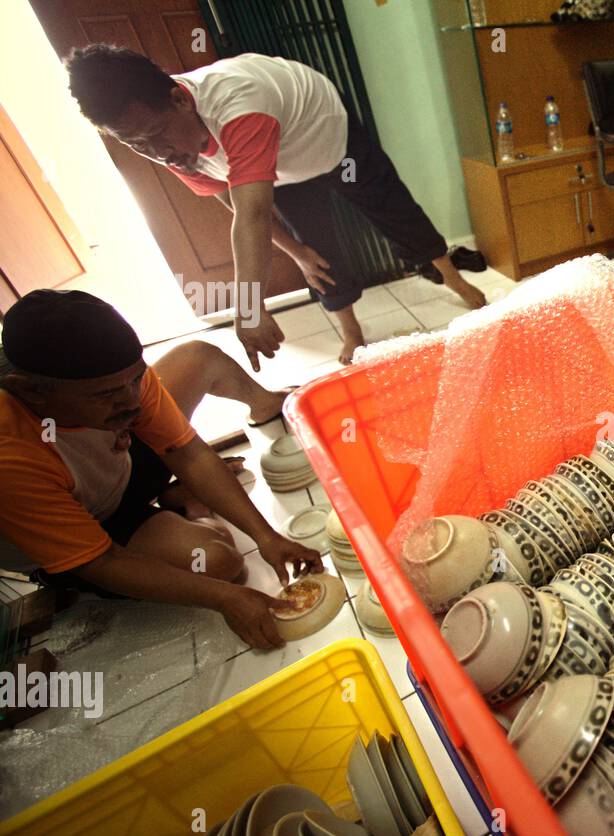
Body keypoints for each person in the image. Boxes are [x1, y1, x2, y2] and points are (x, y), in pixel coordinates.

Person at [63, 45, 487, 366]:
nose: (158, 153)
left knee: (390, 206)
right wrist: (296, 252)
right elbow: (234, 201)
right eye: (136, 143)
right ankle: (352, 331)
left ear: (180, 100)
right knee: (315, 250)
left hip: (332, 143)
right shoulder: (167, 143)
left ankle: (455, 281)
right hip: (282, 172)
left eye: (157, 135)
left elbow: (252, 215)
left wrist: (249, 308)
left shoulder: (238, 105)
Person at [0, 290, 323, 650]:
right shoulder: (10, 457)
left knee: (198, 358)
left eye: (136, 379)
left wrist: (267, 537)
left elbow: (188, 453)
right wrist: (224, 598)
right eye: (105, 394)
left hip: (117, 462)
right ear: (31, 391)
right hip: (94, 524)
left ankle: (265, 407)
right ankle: (191, 506)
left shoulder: (121, 386)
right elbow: (102, 561)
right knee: (217, 563)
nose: (131, 401)